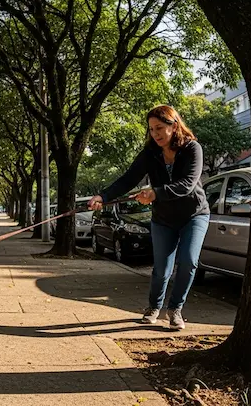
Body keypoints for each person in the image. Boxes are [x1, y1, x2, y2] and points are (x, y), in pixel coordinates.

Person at [88, 105, 209, 331]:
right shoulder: (150, 153)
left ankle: (175, 309)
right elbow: (128, 179)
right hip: (163, 218)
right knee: (162, 268)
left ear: (174, 125)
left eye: (160, 128)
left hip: (194, 215)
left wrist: (155, 193)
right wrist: (102, 196)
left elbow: (187, 185)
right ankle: (154, 306)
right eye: (152, 129)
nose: (155, 134)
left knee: (188, 262)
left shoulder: (192, 148)